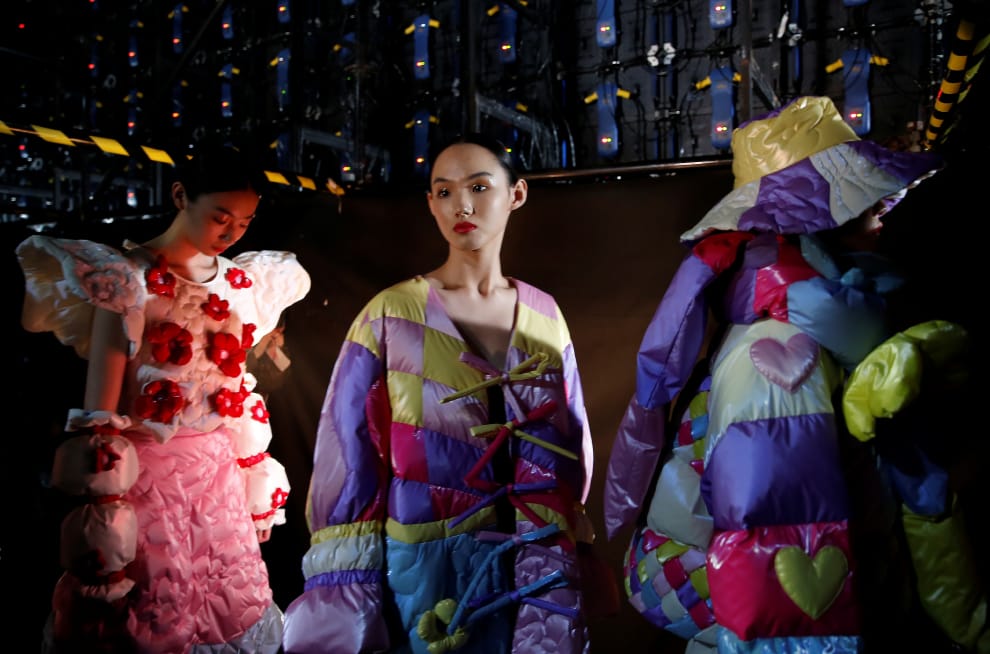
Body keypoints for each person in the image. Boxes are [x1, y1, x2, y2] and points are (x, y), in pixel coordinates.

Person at [602, 96, 988, 653]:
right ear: (819, 219)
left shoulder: (807, 316)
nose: (883, 207)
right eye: (864, 195)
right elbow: (779, 556)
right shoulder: (781, 353)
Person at [282, 133, 610, 653]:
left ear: (516, 194)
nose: (461, 205)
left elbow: (571, 444)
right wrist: (350, 592)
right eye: (443, 191)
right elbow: (346, 458)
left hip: (540, 574)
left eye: (478, 187)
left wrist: (570, 549)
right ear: (430, 203)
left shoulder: (546, 314)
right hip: (427, 579)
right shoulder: (391, 313)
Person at [16, 143, 312, 653]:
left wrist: (250, 477)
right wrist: (104, 510)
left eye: (244, 222)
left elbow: (236, 388)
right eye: (220, 217)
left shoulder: (240, 284)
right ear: (180, 196)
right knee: (154, 608)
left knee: (224, 605)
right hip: (148, 481)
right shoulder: (124, 281)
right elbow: (100, 415)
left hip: (217, 479)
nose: (231, 233)